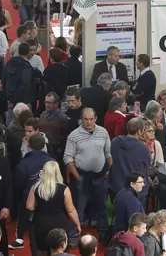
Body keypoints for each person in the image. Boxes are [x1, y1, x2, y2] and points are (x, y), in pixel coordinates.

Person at [64, 108, 113, 239]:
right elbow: (68, 158)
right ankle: (73, 237)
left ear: (96, 118)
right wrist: (77, 176)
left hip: (100, 176)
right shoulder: (74, 135)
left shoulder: (103, 132)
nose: (89, 122)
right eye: (86, 119)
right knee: (78, 209)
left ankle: (104, 236)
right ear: (81, 120)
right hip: (82, 177)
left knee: (102, 208)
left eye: (91, 119)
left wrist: (108, 169)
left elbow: (108, 153)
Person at [27, 161, 81, 256]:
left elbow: (29, 206)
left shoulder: (36, 187)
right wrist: (77, 224)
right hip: (59, 225)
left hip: (41, 224)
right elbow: (71, 210)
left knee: (42, 251)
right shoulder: (64, 189)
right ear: (57, 172)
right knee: (60, 252)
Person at [12, 133, 52, 250]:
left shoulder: (23, 164)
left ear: (29, 145)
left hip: (28, 205)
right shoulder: (52, 162)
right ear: (44, 145)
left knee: (34, 237)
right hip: (49, 203)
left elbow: (18, 185)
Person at [109, 117, 151, 202]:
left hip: (117, 189)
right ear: (140, 131)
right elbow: (148, 166)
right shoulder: (143, 149)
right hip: (136, 192)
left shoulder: (114, 142)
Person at [111, 171, 146, 238]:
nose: (143, 184)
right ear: (132, 184)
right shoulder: (132, 201)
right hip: (127, 238)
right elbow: (135, 224)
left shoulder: (122, 192)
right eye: (140, 182)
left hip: (118, 233)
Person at [3, 43, 38, 109]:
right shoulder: (26, 67)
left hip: (10, 100)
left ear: (18, 51)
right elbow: (25, 84)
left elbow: (4, 80)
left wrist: (9, 99)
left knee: (11, 119)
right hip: (23, 101)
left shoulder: (9, 63)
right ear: (28, 52)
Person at [39, 92, 71, 160]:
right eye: (46, 102)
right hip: (43, 148)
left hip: (55, 151)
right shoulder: (43, 114)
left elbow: (65, 136)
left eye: (49, 102)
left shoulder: (62, 117)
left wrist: (59, 151)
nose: (47, 105)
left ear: (56, 103)